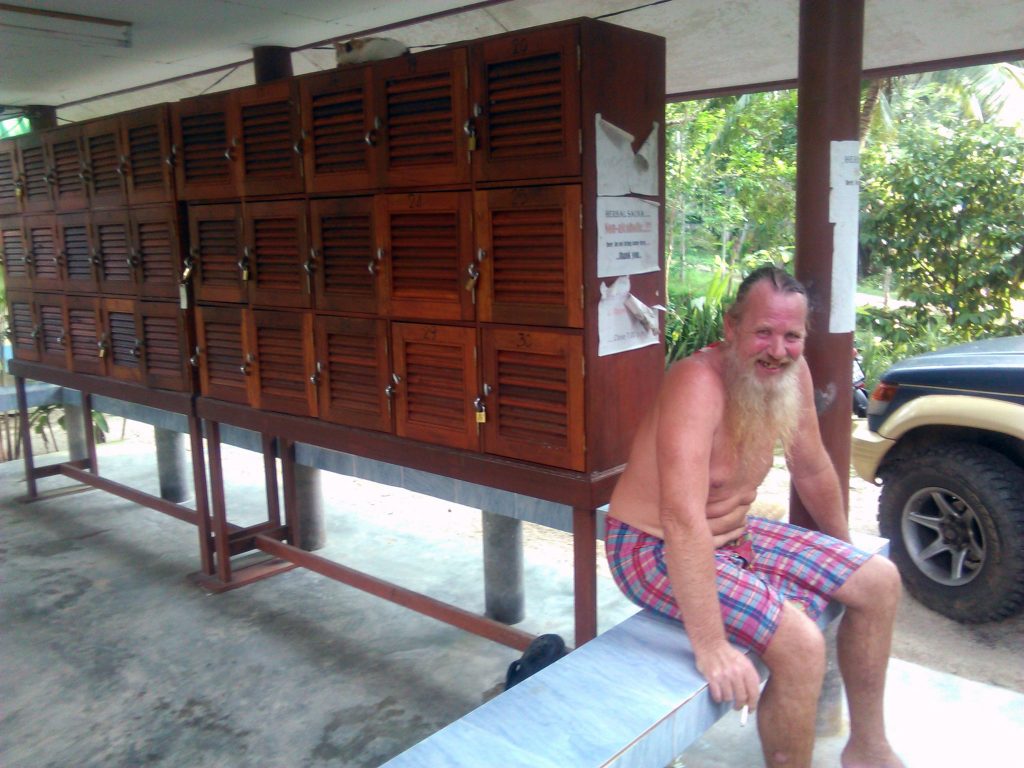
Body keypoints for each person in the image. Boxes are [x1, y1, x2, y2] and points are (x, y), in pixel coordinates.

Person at [606, 266, 904, 768]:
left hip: (732, 535)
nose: (777, 350)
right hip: (650, 545)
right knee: (801, 646)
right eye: (763, 332)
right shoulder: (695, 383)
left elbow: (810, 468)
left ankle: (868, 749)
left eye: (792, 336)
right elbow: (680, 518)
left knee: (879, 581)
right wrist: (711, 644)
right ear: (731, 327)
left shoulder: (792, 375)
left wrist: (843, 555)